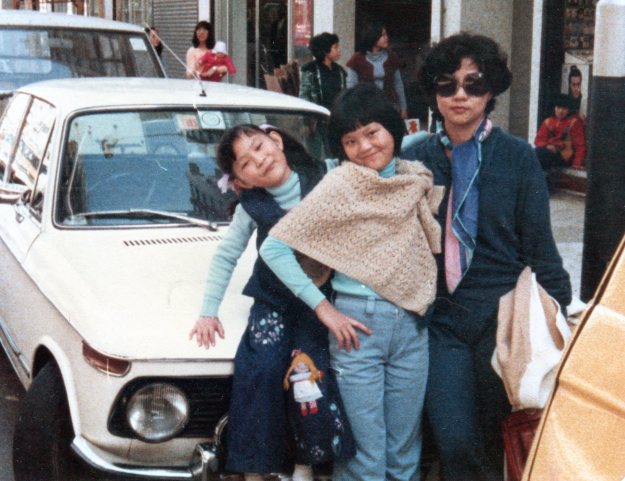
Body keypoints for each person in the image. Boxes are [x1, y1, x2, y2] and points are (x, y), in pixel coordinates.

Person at [402, 32, 572, 481]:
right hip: (441, 321)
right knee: (455, 440)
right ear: (434, 92)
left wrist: (559, 321)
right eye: (448, 84)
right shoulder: (414, 161)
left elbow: (542, 249)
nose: (460, 95)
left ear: (491, 90)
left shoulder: (518, 158)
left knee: (502, 439)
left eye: (473, 84)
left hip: (503, 320)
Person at [260, 84, 442, 481]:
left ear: (392, 128)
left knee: (405, 451)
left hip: (412, 324)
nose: (365, 147)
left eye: (372, 132)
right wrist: (324, 309)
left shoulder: (413, 179)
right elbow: (274, 248)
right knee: (365, 456)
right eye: (351, 140)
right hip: (358, 327)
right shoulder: (341, 185)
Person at [188, 124, 354, 481]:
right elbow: (227, 254)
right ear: (241, 182)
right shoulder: (252, 206)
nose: (260, 160)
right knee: (260, 369)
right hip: (273, 301)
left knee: (308, 373)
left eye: (260, 147)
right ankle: (255, 467)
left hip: (319, 302)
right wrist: (208, 312)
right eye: (246, 163)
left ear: (276, 140)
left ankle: (305, 464)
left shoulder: (325, 177)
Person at [345, 21, 408, 119]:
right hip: (365, 108)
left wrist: (403, 107)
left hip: (389, 106)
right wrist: (352, 108)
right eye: (383, 35)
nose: (386, 38)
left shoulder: (391, 57)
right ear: (373, 37)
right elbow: (351, 86)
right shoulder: (357, 59)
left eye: (386, 35)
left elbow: (398, 84)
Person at [535, 92, 587, 175]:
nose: (560, 111)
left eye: (564, 108)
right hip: (548, 153)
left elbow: (580, 145)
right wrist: (546, 146)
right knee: (535, 153)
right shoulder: (548, 122)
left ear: (569, 110)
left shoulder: (574, 123)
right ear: (554, 108)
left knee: (540, 155)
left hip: (565, 156)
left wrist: (577, 163)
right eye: (558, 107)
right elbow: (538, 140)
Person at [299, 32, 347, 110]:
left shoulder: (340, 71)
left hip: (336, 114)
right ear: (325, 50)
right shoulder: (310, 70)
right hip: (318, 113)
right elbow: (304, 97)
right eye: (335, 47)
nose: (339, 50)